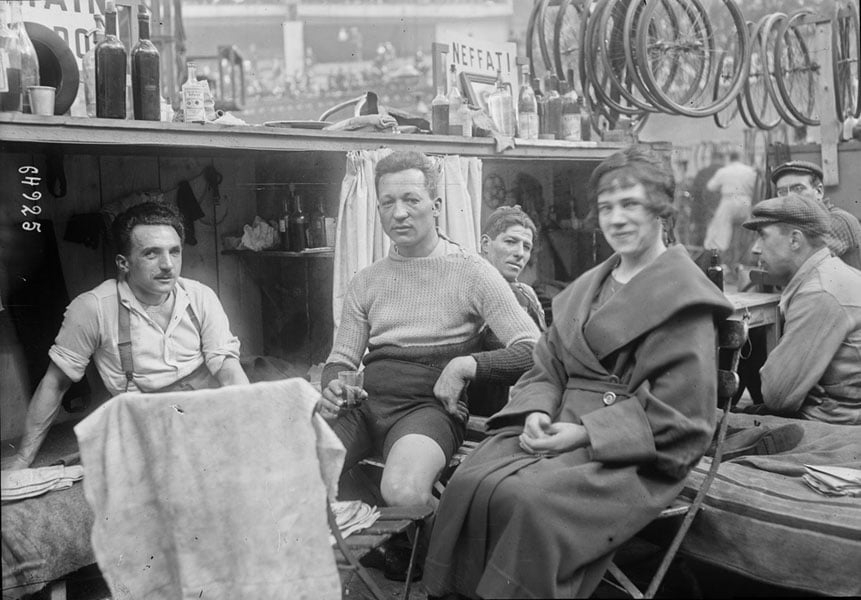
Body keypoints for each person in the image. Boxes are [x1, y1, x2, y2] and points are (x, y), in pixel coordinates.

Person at [423, 146, 733, 599]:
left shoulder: (685, 301)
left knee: (530, 503)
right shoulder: (587, 288)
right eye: (607, 207)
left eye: (631, 205)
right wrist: (534, 412)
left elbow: (682, 420)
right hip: (559, 427)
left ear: (662, 210)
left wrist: (583, 434)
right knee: (469, 480)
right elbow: (547, 367)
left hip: (633, 453)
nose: (617, 219)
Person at [318, 150, 540, 513]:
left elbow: (533, 348)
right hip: (364, 407)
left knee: (403, 491)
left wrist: (465, 365)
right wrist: (333, 386)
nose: (399, 212)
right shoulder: (366, 281)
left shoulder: (472, 271)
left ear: (436, 206)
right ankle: (378, 549)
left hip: (429, 409)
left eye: (411, 200)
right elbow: (341, 358)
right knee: (293, 475)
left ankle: (439, 562)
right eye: (387, 202)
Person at [4, 202, 248, 471]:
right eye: (151, 254)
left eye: (174, 251)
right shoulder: (93, 307)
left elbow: (227, 367)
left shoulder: (200, 295)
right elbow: (55, 383)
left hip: (207, 412)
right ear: (123, 262)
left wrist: (248, 423)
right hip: (146, 425)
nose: (168, 265)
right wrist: (23, 458)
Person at [741, 193, 861, 424]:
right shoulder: (832, 274)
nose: (756, 249)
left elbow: (777, 396)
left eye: (762, 236)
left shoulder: (820, 292)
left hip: (830, 431)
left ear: (795, 240)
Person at [469, 205, 547, 417]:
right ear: (486, 244)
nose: (519, 254)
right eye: (510, 242)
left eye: (527, 246)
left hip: (520, 405)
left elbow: (543, 356)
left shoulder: (527, 294)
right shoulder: (465, 287)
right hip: (472, 410)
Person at [770, 159, 861, 270]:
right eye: (782, 192)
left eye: (798, 188)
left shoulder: (839, 220)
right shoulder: (797, 223)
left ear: (819, 192)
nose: (789, 197)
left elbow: (800, 263)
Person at [703, 149, 758, 271]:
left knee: (719, 231)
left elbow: (710, 186)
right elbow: (756, 186)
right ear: (740, 158)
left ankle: (721, 258)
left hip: (729, 200)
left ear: (729, 159)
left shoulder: (724, 171)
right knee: (747, 231)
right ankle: (741, 259)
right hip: (745, 201)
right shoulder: (749, 171)